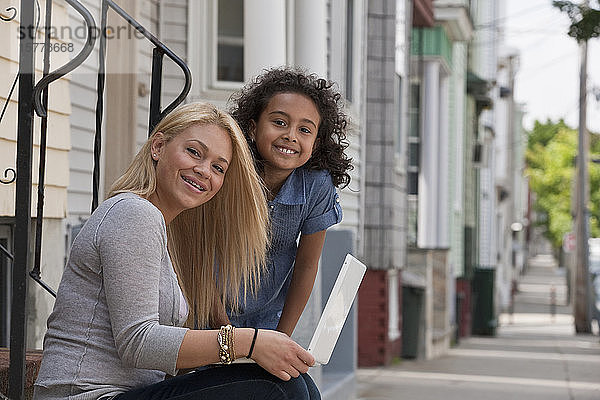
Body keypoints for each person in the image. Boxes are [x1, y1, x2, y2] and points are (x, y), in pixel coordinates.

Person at [33, 102, 319, 400]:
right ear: (158, 146)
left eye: (218, 167)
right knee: (280, 388)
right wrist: (249, 342)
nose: (204, 170)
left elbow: (161, 364)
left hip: (133, 391)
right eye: (194, 152)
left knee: (296, 383)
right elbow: (138, 343)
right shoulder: (133, 213)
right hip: (84, 394)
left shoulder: (165, 231)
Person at [224, 67, 353, 336]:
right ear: (252, 127)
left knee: (292, 380)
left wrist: (282, 336)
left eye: (304, 130)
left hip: (269, 318)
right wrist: (225, 332)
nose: (291, 136)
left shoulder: (316, 186)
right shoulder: (227, 171)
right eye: (279, 122)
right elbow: (200, 258)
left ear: (315, 144)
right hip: (207, 313)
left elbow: (307, 264)